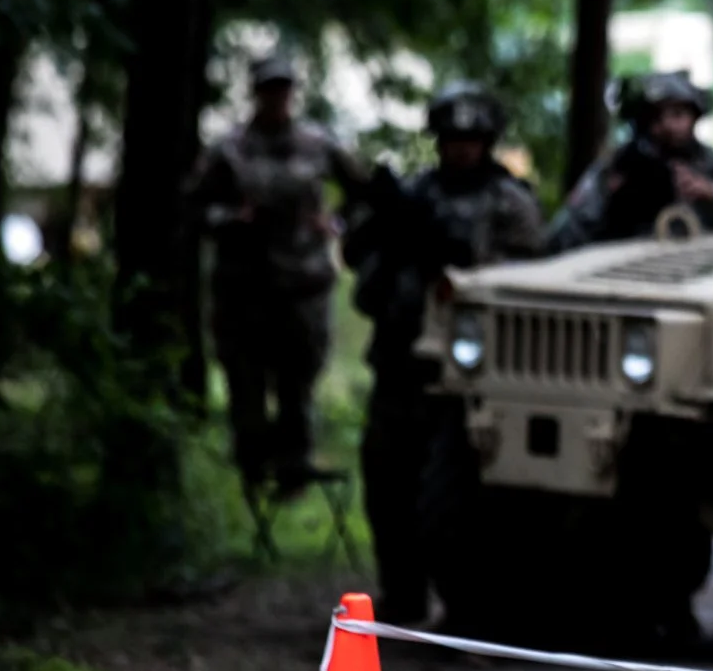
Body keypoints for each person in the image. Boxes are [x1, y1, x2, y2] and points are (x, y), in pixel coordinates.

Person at [346, 83, 544, 624]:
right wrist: (382, 218)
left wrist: (449, 248)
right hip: (399, 360)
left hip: (468, 374)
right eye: (452, 138)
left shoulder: (509, 200)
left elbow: (527, 277)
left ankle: (468, 606)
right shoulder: (416, 194)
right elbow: (360, 262)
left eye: (471, 139)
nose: (460, 149)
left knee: (457, 499)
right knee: (387, 484)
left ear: (488, 141)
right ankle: (402, 594)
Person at [189, 52, 370, 495]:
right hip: (243, 290)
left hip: (303, 287)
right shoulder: (228, 149)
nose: (277, 98)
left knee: (297, 388)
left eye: (284, 89)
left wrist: (337, 223)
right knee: (246, 389)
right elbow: (193, 208)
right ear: (255, 93)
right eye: (269, 89)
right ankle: (252, 468)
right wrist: (233, 219)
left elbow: (364, 194)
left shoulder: (319, 144)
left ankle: (294, 472)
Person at [547, 71, 713, 250]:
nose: (668, 126)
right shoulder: (616, 168)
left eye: (678, 115)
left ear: (694, 117)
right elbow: (565, 232)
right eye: (656, 117)